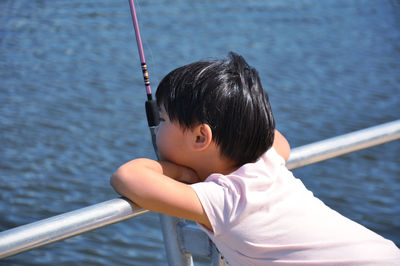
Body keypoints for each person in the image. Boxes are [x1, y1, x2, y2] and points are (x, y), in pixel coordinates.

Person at [111, 52, 400, 265]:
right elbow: (276, 138)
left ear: (201, 137)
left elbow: (128, 177)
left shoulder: (223, 200)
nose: (158, 128)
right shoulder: (268, 163)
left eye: (162, 120)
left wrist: (181, 174)